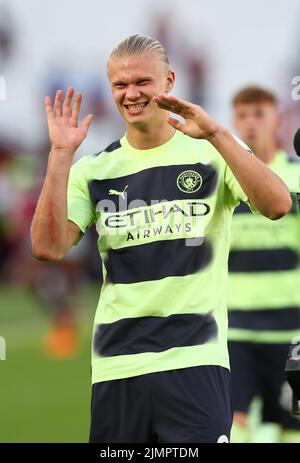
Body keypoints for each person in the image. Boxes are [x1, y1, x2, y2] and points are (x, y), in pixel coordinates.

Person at [30, 35, 291, 443]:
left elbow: (277, 204)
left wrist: (219, 134)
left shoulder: (210, 150)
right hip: (117, 368)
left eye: (142, 82)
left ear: (168, 81)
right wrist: (60, 155)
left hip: (195, 362)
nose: (131, 94)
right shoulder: (93, 170)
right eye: (120, 84)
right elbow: (48, 248)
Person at [228, 86, 300, 443]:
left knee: (291, 428)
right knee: (232, 427)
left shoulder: (296, 177)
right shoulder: (226, 178)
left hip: (290, 330)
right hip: (235, 330)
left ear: (277, 119)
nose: (250, 124)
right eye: (242, 115)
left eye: (259, 114)